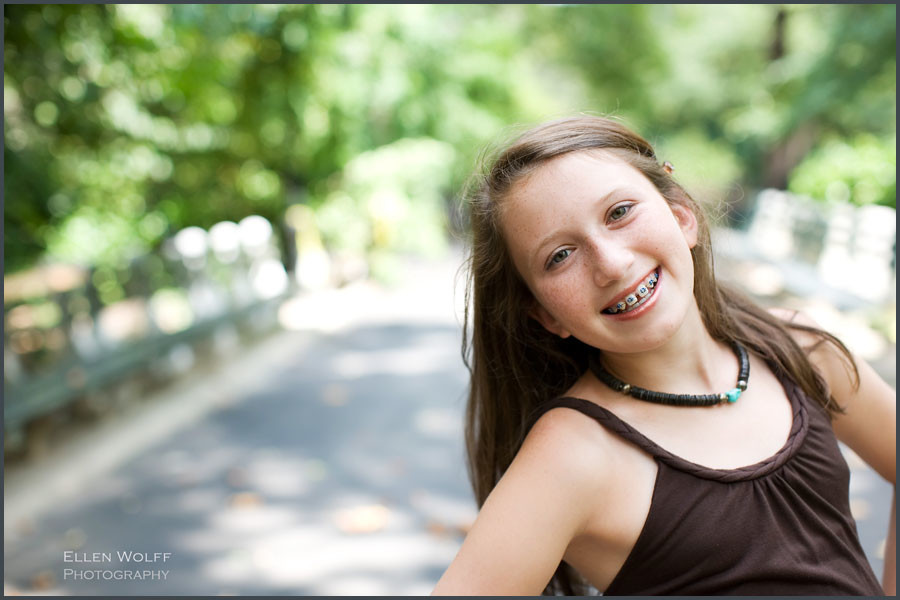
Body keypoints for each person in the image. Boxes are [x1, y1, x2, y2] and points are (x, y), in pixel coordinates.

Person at [432, 116, 896, 595]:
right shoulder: (573, 454)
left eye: (619, 213)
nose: (611, 264)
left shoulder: (801, 347)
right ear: (547, 315)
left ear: (681, 215)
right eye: (560, 256)